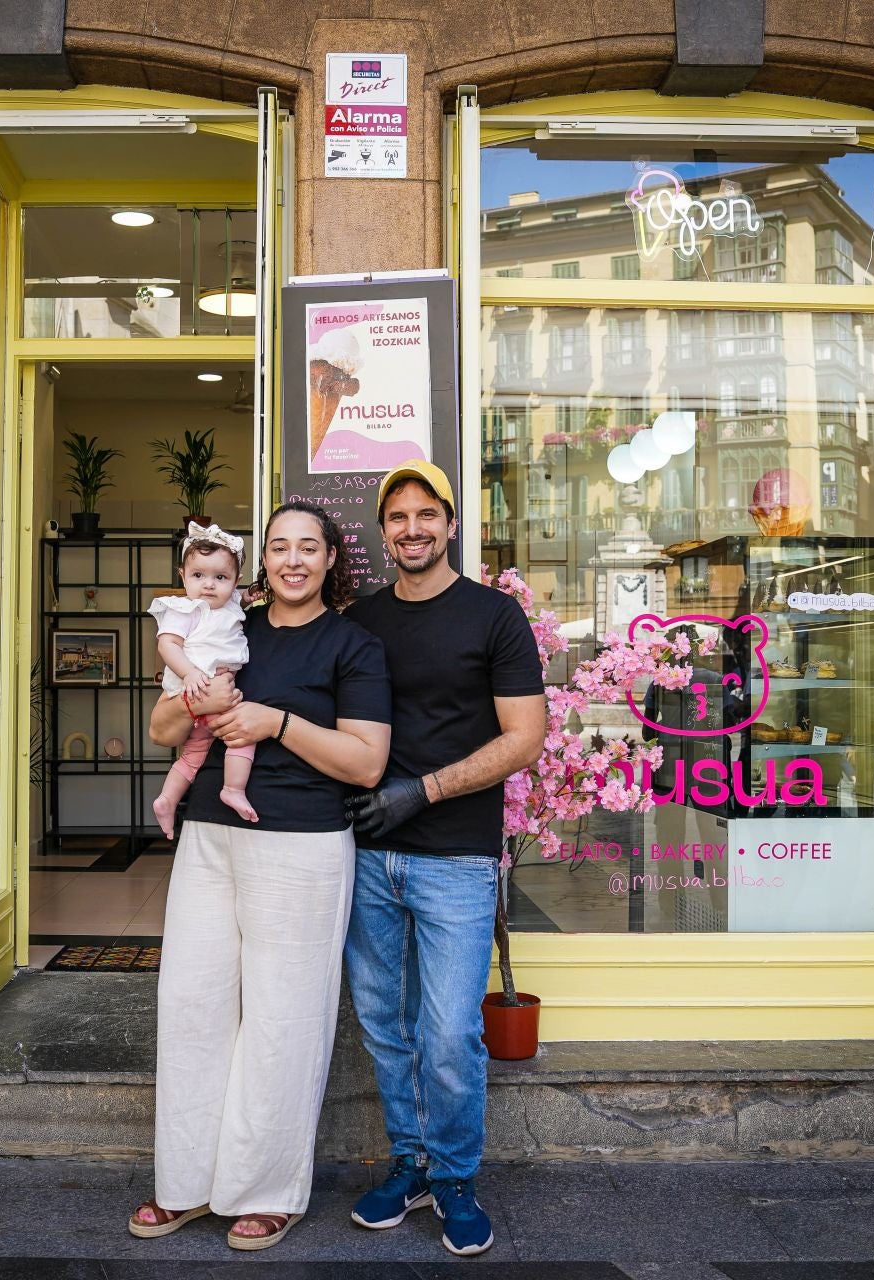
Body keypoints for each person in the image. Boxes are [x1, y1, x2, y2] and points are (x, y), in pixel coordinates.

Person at [130, 501, 392, 1252]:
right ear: (260, 563)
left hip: (302, 845)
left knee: (283, 1018)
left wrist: (275, 723)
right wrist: (194, 697)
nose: (293, 560)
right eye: (279, 547)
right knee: (191, 1005)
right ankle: (184, 1182)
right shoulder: (227, 623)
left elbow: (366, 762)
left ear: (331, 559)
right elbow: (161, 729)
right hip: (209, 837)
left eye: (309, 547)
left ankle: (266, 1189)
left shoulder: (354, 646)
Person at [341, 460, 548, 1258]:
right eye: (398, 517)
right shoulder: (362, 618)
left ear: (451, 523)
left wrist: (420, 792)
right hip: (366, 855)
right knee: (386, 1025)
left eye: (427, 514)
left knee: (451, 1030)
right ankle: (412, 1162)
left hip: (456, 856)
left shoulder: (494, 617)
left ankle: (457, 1174)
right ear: (383, 531)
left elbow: (524, 740)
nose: (413, 529)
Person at [149, 522, 255, 838]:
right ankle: (233, 789)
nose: (208, 585)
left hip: (210, 697)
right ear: (183, 576)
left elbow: (241, 599)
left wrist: (251, 595)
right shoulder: (187, 609)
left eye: (220, 577)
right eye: (198, 576)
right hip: (199, 687)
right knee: (243, 734)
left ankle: (167, 800)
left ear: (235, 581)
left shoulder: (230, 601)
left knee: (193, 756)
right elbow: (167, 644)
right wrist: (190, 672)